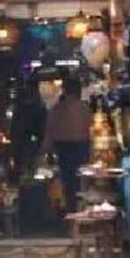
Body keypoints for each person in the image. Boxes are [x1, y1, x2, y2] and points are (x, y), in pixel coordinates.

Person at [43, 74, 92, 214]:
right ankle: (81, 207)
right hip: (81, 146)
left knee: (68, 180)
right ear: (78, 91)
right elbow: (90, 128)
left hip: (63, 148)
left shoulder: (56, 108)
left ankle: (71, 207)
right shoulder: (84, 108)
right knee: (82, 178)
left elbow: (49, 130)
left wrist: (47, 149)